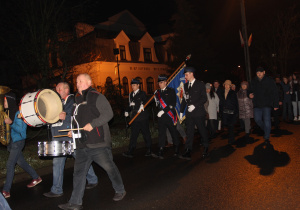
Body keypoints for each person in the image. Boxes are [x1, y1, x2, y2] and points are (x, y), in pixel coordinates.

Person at [58, 74, 126, 210]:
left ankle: (120, 190)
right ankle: (75, 202)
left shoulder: (97, 96)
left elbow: (108, 114)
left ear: (89, 82)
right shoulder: (76, 99)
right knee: (78, 174)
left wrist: (93, 124)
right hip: (81, 144)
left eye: (80, 81)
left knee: (109, 168)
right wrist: (73, 131)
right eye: (76, 82)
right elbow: (76, 120)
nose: (77, 84)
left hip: (98, 143)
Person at [43, 82, 98, 198]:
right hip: (57, 136)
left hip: (69, 136)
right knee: (57, 163)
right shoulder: (55, 102)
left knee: (80, 158)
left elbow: (76, 114)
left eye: (59, 89)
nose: (56, 91)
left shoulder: (73, 100)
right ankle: (57, 189)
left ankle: (92, 179)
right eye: (56, 89)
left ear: (66, 90)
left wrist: (66, 116)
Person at [2, 92, 42, 199]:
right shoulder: (8, 112)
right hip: (12, 142)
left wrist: (11, 123)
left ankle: (6, 190)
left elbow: (21, 130)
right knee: (21, 162)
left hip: (18, 141)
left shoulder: (18, 113)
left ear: (9, 101)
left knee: (10, 164)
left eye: (5, 100)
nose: (3, 102)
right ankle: (36, 177)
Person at [179, 67, 209, 160]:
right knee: (189, 132)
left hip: (199, 112)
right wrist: (181, 111)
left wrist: (194, 105)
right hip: (189, 114)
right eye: (185, 74)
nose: (185, 76)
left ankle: (206, 147)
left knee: (202, 130)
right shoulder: (185, 86)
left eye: (186, 74)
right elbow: (184, 99)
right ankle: (188, 150)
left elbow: (204, 98)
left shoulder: (200, 84)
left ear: (192, 73)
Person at [123, 78, 152, 158]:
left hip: (142, 117)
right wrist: (127, 111)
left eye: (134, 85)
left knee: (146, 133)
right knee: (134, 135)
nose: (133, 86)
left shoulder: (142, 93)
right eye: (132, 85)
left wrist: (142, 106)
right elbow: (130, 105)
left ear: (138, 85)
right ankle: (131, 150)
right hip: (134, 118)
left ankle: (149, 149)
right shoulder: (130, 94)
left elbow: (146, 101)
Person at [248, 67, 279, 144]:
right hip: (257, 104)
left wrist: (276, 104)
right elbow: (249, 90)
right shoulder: (253, 81)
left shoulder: (269, 80)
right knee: (257, 120)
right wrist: (249, 94)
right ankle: (266, 129)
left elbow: (275, 92)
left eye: (261, 72)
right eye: (257, 72)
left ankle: (267, 137)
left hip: (267, 104)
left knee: (267, 121)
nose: (259, 73)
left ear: (264, 72)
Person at [152, 75, 180, 159]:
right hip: (161, 117)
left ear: (165, 82)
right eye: (159, 83)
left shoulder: (171, 91)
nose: (159, 84)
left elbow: (173, 104)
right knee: (161, 133)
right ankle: (161, 150)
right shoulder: (157, 92)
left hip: (169, 115)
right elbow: (154, 103)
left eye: (161, 82)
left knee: (173, 132)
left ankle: (177, 148)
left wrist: (163, 111)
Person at [219, 80, 239, 144]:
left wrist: (236, 112)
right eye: (225, 85)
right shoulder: (222, 93)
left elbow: (236, 103)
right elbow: (221, 103)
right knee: (227, 125)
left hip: (231, 111)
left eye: (228, 85)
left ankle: (231, 139)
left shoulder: (233, 93)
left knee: (231, 125)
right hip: (224, 112)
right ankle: (230, 138)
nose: (226, 86)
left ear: (230, 86)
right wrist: (220, 111)